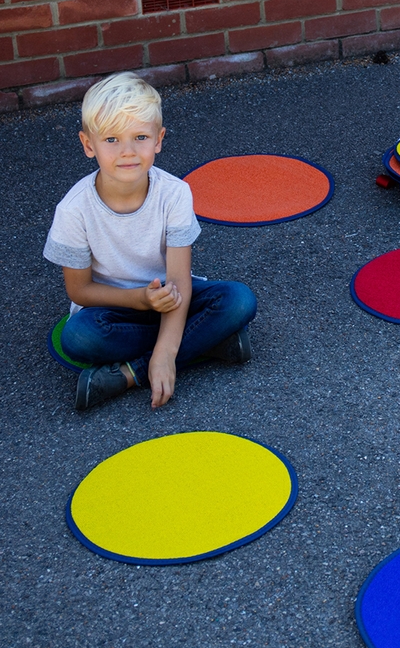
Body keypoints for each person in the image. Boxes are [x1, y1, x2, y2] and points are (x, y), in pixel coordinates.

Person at [44, 72, 257, 410]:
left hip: (174, 298)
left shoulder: (173, 194)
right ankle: (208, 343)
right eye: (111, 139)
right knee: (78, 337)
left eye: (139, 137)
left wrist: (164, 355)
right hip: (116, 308)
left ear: (158, 140)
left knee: (239, 300)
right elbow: (79, 291)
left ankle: (131, 373)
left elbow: (179, 281)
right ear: (88, 145)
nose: (127, 151)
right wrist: (141, 300)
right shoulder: (74, 210)